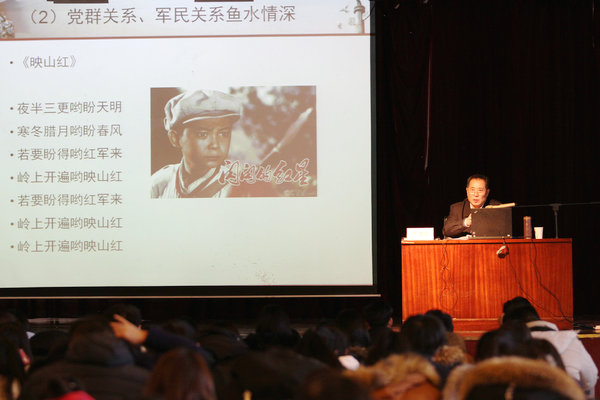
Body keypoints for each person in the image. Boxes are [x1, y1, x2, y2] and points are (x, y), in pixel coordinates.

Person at [151, 89, 242, 198]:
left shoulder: (237, 188)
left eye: (224, 133)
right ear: (174, 138)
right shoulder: (160, 183)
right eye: (202, 134)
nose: (215, 145)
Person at [442, 174, 501, 238]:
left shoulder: (496, 207)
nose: (476, 194)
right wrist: (466, 222)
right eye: (472, 190)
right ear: (467, 191)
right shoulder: (457, 208)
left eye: (480, 190)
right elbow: (446, 231)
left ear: (487, 193)